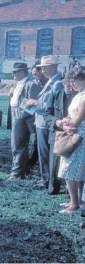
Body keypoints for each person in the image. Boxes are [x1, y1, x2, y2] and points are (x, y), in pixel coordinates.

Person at [26, 55, 65, 193]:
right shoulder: (51, 82)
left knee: (48, 154)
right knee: (44, 154)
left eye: (45, 68)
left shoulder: (57, 83)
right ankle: (46, 180)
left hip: (48, 123)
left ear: (53, 67)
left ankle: (50, 183)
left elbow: (53, 105)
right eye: (42, 68)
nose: (43, 71)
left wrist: (35, 102)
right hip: (43, 122)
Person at [56, 67, 85, 213]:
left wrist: (63, 123)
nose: (71, 84)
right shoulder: (79, 95)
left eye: (74, 81)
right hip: (75, 135)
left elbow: (78, 121)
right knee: (77, 170)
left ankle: (74, 205)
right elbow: (73, 116)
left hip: (79, 137)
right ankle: (78, 201)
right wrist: (67, 120)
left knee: (70, 169)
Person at [8, 63, 40, 180]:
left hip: (21, 118)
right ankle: (23, 170)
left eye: (15, 72)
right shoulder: (19, 84)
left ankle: (16, 173)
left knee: (18, 145)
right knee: (16, 145)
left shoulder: (31, 85)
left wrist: (18, 115)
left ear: (22, 72)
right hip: (15, 116)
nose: (13, 74)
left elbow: (32, 106)